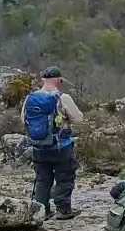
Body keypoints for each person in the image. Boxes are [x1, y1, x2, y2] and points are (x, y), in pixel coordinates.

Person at [22, 65, 85, 220]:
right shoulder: (63, 98)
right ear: (59, 80)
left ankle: (41, 211)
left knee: (42, 180)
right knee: (65, 178)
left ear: (43, 80)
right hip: (61, 147)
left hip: (38, 147)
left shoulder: (30, 98)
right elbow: (78, 119)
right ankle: (63, 210)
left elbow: (23, 119)